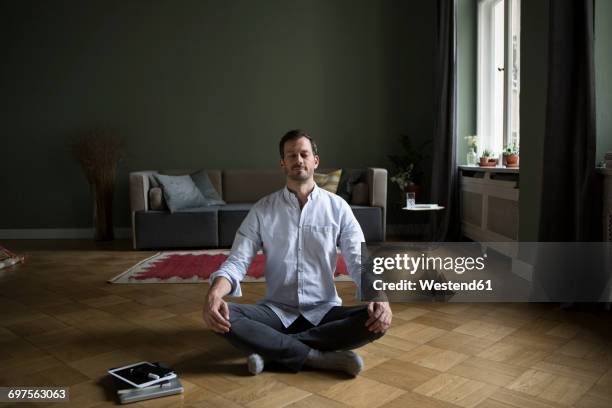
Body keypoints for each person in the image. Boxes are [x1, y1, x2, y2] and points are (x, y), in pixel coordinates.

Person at [202, 129, 392, 376]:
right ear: (283, 163)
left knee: (376, 319)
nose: (298, 160)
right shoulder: (263, 209)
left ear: (316, 160)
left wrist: (380, 296)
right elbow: (237, 260)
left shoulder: (338, 208)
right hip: (275, 312)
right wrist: (214, 294)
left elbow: (358, 259)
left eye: (304, 154)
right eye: (291, 155)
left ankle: (271, 351)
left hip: (325, 311)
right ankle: (316, 357)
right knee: (226, 314)